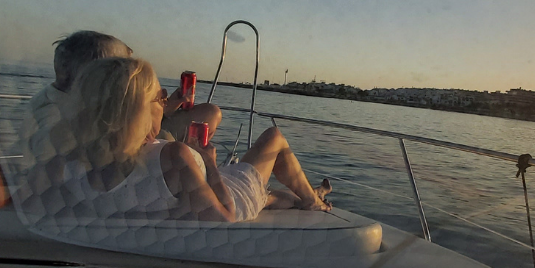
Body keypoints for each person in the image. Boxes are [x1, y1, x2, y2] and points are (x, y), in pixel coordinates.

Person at [56, 57, 330, 222]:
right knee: (274, 138)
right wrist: (209, 164)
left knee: (266, 195)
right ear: (137, 111)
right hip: (230, 197)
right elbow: (226, 217)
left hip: (195, 194)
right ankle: (312, 200)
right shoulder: (174, 157)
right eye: (159, 98)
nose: (164, 103)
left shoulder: (73, 163)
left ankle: (308, 195)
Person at [20, 30, 222, 169]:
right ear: (95, 72)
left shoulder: (91, 96)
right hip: (117, 149)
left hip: (130, 130)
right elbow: (52, 160)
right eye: (119, 67)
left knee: (209, 113)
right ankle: (192, 173)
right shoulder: (52, 114)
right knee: (168, 145)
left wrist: (168, 105)